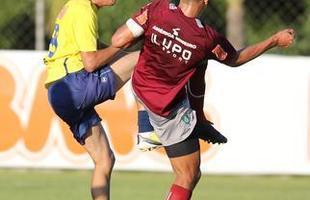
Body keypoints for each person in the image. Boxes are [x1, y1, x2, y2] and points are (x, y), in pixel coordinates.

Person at [111, 0, 295, 199]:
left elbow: (119, 40)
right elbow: (236, 59)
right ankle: (156, 128)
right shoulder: (207, 38)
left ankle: (162, 123)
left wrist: (154, 33)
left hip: (140, 87)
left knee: (199, 67)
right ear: (205, 2)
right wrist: (274, 40)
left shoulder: (157, 8)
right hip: (166, 110)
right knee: (188, 175)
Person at [43, 0, 139, 200]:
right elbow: (91, 62)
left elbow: (97, 50)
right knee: (144, 59)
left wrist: (121, 51)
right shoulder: (84, 9)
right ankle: (148, 124)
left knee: (104, 159)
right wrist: (120, 45)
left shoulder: (76, 6)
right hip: (73, 84)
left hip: (58, 92)